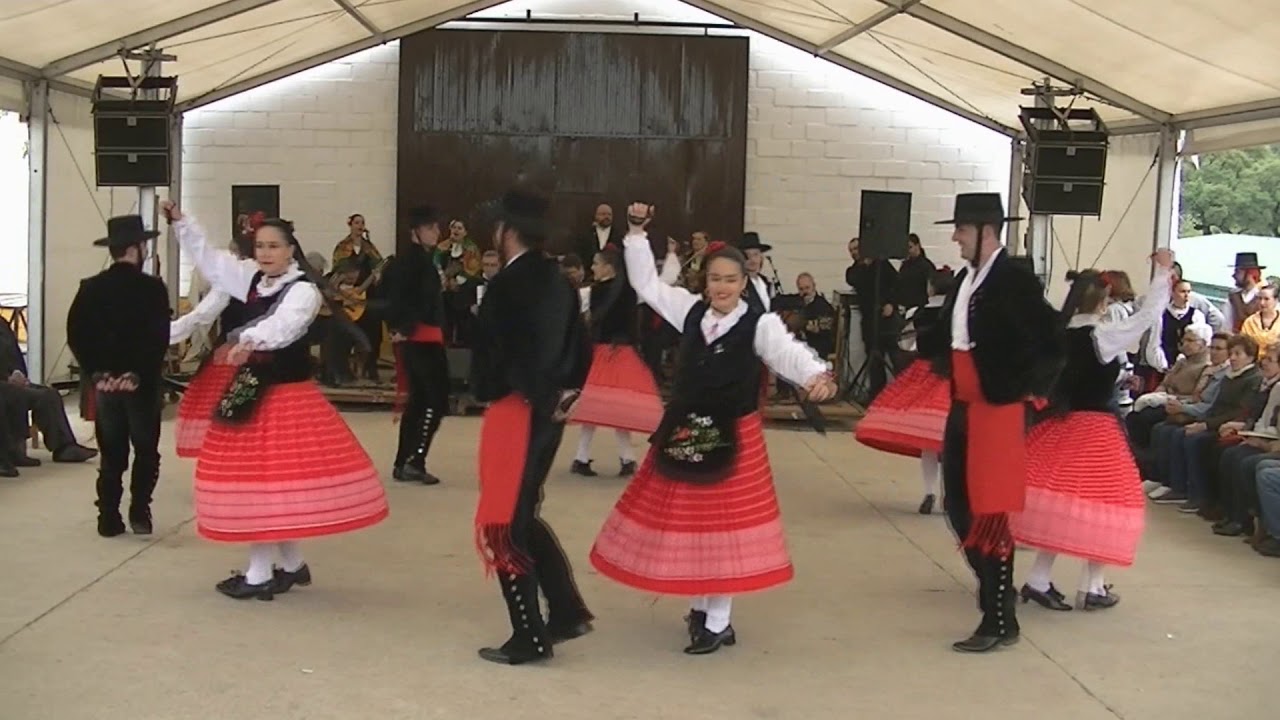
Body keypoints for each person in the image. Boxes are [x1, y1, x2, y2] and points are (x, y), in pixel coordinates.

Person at [590, 204, 837, 656]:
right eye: (715, 278)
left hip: (733, 435)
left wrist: (816, 375)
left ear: (744, 283)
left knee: (725, 528)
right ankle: (703, 609)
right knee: (693, 524)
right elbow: (645, 285)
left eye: (730, 279)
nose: (722, 287)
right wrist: (637, 234)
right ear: (704, 281)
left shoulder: (759, 324)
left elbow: (787, 353)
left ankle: (718, 620)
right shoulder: (688, 310)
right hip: (685, 429)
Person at [165, 201, 388, 601]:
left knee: (264, 485)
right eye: (260, 246)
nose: (265, 253)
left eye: (273, 246)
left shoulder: (301, 289)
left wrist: (248, 340)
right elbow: (213, 263)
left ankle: (259, 573)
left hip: (284, 397)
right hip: (251, 387)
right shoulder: (251, 278)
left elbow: (285, 326)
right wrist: (183, 224)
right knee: (263, 485)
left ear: (290, 250)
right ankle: (288, 564)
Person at [920, 193, 1063, 653]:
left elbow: (1051, 341)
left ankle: (998, 616)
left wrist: (1028, 389)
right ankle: (995, 599)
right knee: (959, 506)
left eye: (961, 229)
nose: (955, 237)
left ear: (984, 230)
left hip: (997, 409)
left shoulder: (1013, 279)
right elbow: (953, 335)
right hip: (964, 405)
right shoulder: (967, 278)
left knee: (990, 513)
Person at [470, 190, 595, 665]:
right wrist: (566, 393)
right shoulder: (558, 280)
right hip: (544, 409)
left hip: (517, 409)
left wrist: (537, 392)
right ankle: (565, 611)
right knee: (522, 510)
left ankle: (530, 635)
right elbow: (579, 344)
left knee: (505, 521)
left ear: (506, 230)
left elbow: (523, 356)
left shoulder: (511, 284)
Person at [1015, 251, 1174, 614]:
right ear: (1103, 301)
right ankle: (1091, 586)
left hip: (1061, 425)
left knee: (1062, 504)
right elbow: (1149, 315)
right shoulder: (1103, 335)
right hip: (1096, 428)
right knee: (1106, 504)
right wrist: (1163, 273)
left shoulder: (1060, 335)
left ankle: (1042, 580)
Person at [65, 215, 170, 537]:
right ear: (137, 248)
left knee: (111, 452)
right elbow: (158, 338)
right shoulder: (153, 289)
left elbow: (77, 334)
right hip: (140, 383)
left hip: (106, 383)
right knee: (146, 449)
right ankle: (140, 511)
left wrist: (98, 372)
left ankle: (108, 517)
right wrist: (135, 373)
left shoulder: (91, 288)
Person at [855, 267, 956, 514]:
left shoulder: (918, 313)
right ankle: (947, 495)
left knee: (927, 443)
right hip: (953, 375)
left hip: (925, 373)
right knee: (951, 441)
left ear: (931, 288)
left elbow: (906, 343)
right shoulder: (957, 312)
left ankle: (930, 491)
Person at [568, 245, 664, 478]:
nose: (592, 267)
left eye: (596, 263)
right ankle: (617, 458)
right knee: (611, 408)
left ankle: (605, 457)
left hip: (612, 353)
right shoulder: (619, 291)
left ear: (608, 267)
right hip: (613, 353)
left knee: (609, 408)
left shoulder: (603, 292)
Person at [168, 229, 254, 458]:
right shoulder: (273, 277)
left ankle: (231, 451)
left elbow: (202, 314)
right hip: (252, 350)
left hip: (236, 351)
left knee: (231, 407)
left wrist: (167, 333)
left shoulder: (234, 279)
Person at [385, 205, 449, 485]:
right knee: (435, 401)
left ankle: (405, 461)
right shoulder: (413, 263)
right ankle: (415, 459)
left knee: (420, 402)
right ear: (416, 232)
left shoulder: (417, 261)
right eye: (431, 228)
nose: (437, 232)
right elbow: (406, 299)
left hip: (424, 338)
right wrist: (404, 327)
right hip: (421, 339)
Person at [0, 317, 98, 466]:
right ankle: (13, 451)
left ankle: (65, 447)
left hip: (10, 378)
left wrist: (18, 372)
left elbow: (14, 355)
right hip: (4, 383)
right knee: (16, 394)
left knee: (48, 394)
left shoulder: (1, 324)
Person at [1223, 252, 1264, 332]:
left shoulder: (1265, 297)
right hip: (1236, 341)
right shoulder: (1233, 297)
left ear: (1250, 274)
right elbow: (1227, 325)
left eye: (1238, 272)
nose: (1233, 275)